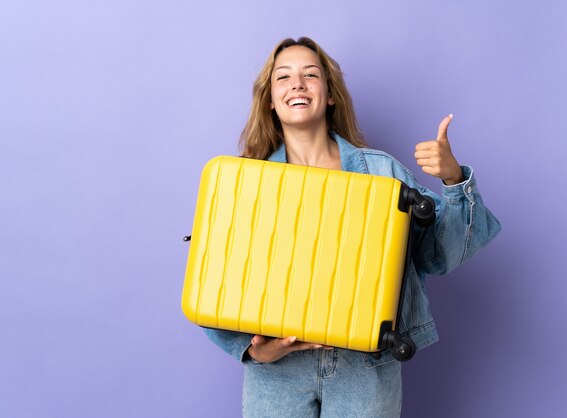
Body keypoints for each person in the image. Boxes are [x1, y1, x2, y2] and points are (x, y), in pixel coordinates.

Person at [203, 37, 501, 417]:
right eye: (284, 77)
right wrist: (253, 348)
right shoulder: (244, 182)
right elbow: (217, 278)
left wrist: (454, 180)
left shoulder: (382, 172)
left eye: (310, 74)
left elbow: (438, 255)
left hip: (365, 366)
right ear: (270, 100)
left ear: (329, 94)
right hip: (277, 373)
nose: (297, 83)